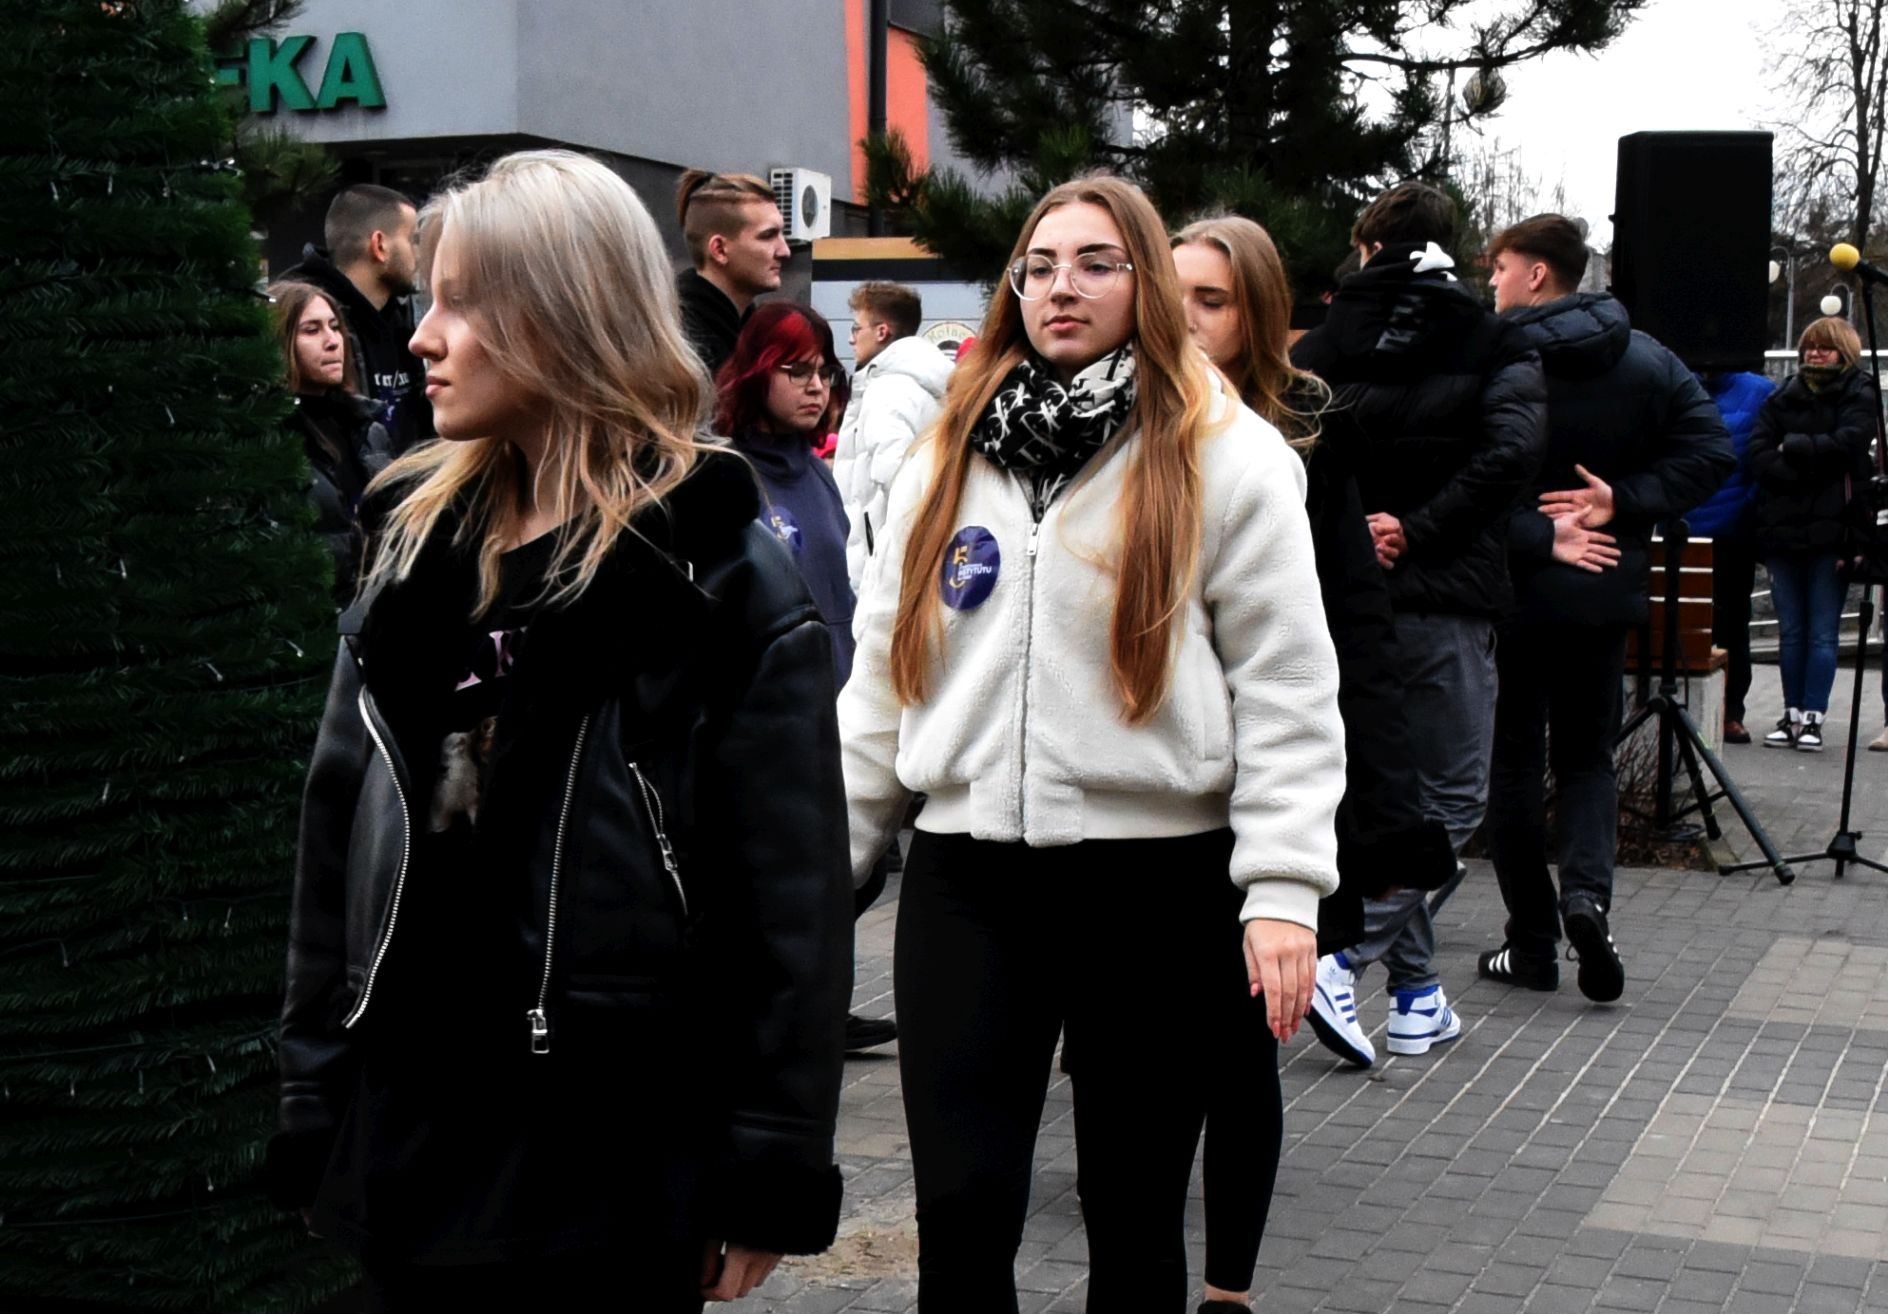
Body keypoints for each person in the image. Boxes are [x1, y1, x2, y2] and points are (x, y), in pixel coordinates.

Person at [268, 150, 852, 1311]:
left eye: (458, 304)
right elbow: (333, 851)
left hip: (613, 1151)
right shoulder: (411, 561)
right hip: (413, 1131)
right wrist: (310, 1091)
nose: (422, 338)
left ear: (560, 315)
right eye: (424, 301)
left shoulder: (714, 573)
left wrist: (771, 1160)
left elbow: (788, 902)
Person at [840, 174, 1346, 1312]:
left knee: (1132, 1215)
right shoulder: (946, 453)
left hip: (1154, 888)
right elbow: (879, 681)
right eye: (1039, 265)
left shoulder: (1226, 453)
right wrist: (825, 859)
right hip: (968, 880)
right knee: (962, 1212)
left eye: (1095, 263)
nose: (1061, 285)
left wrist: (1282, 887)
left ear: (1146, 282)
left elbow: (1286, 690)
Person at [1170, 216, 1454, 1308]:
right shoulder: (1117, 427)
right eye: (1173, 295)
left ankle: (1228, 1290)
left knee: (1243, 1045)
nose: (1188, 320)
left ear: (1257, 318)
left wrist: (1383, 806)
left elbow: (1350, 631)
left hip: (1267, 789)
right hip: (1144, 798)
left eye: (1212, 300)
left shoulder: (1301, 442)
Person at [1292, 181, 1547, 1057]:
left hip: (1339, 596)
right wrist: (1418, 529)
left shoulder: (1322, 341)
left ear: (1368, 248)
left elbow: (1290, 447)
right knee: (1453, 797)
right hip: (1444, 593)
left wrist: (1350, 528)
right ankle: (1343, 954)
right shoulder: (1492, 336)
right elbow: (1513, 452)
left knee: (1387, 798)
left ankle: (1416, 996)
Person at [1479, 214, 1733, 1002]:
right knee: (1587, 756)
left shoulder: (1493, 354)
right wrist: (1620, 500)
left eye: (1499, 267)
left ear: (1536, 274)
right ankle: (1586, 899)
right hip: (1601, 585)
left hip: (1514, 583)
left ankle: (1531, 941)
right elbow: (1711, 452)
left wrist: (1534, 530)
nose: (1490, 282)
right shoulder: (1648, 357)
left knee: (1513, 762)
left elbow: (1467, 477)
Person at [714, 304, 902, 1055]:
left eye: (824, 371)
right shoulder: (726, 474)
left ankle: (821, 1003)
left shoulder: (818, 475)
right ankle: (776, 1011)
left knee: (853, 869)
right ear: (755, 374)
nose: (815, 386)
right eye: (795, 371)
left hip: (835, 703)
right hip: (764, 717)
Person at [1749, 316, 1880, 751]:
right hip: (1782, 529)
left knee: (1822, 631)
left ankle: (1813, 717)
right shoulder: (1782, 394)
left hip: (1834, 532)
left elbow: (1850, 444)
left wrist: (1794, 447)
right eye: (1809, 346)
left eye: (1824, 346)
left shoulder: (1859, 392)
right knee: (1791, 631)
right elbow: (1758, 452)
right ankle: (1790, 713)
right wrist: (1807, 463)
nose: (1814, 353)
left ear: (1844, 351)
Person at [268, 279, 394, 603]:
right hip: (311, 614)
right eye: (312, 330)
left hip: (378, 608)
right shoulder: (268, 436)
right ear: (280, 340)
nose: (333, 341)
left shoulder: (368, 428)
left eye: (335, 327)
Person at [283, 183, 432, 454]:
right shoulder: (297, 313)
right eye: (414, 240)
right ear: (379, 245)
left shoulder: (400, 319)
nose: (420, 255)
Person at [835, 281, 952, 591]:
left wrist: (879, 567)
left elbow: (897, 485)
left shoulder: (887, 391)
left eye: (856, 328)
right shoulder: (924, 384)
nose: (851, 338)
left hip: (881, 573)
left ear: (881, 332)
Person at [1688, 368, 1777, 743]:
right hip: (1684, 523)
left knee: (1733, 621)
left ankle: (1730, 711)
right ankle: (1688, 708)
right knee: (1685, 618)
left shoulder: (1758, 391)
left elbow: (1765, 452)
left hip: (1734, 528)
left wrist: (1749, 504)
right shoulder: (1677, 379)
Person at [674, 170, 791, 378]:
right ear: (719, 249)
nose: (785, 251)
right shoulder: (682, 343)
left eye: (781, 234)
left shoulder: (752, 335)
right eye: (768, 235)